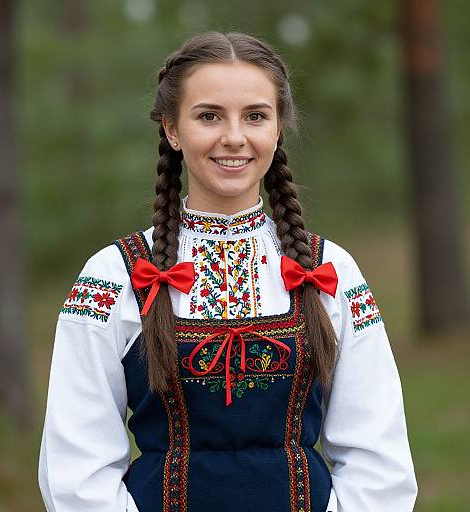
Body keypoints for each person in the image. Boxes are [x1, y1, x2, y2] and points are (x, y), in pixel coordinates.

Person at [38, 31, 418, 512]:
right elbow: (77, 466)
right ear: (173, 130)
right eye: (209, 116)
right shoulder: (113, 275)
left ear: (278, 129)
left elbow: (377, 454)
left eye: (255, 116)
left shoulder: (328, 268)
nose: (234, 137)